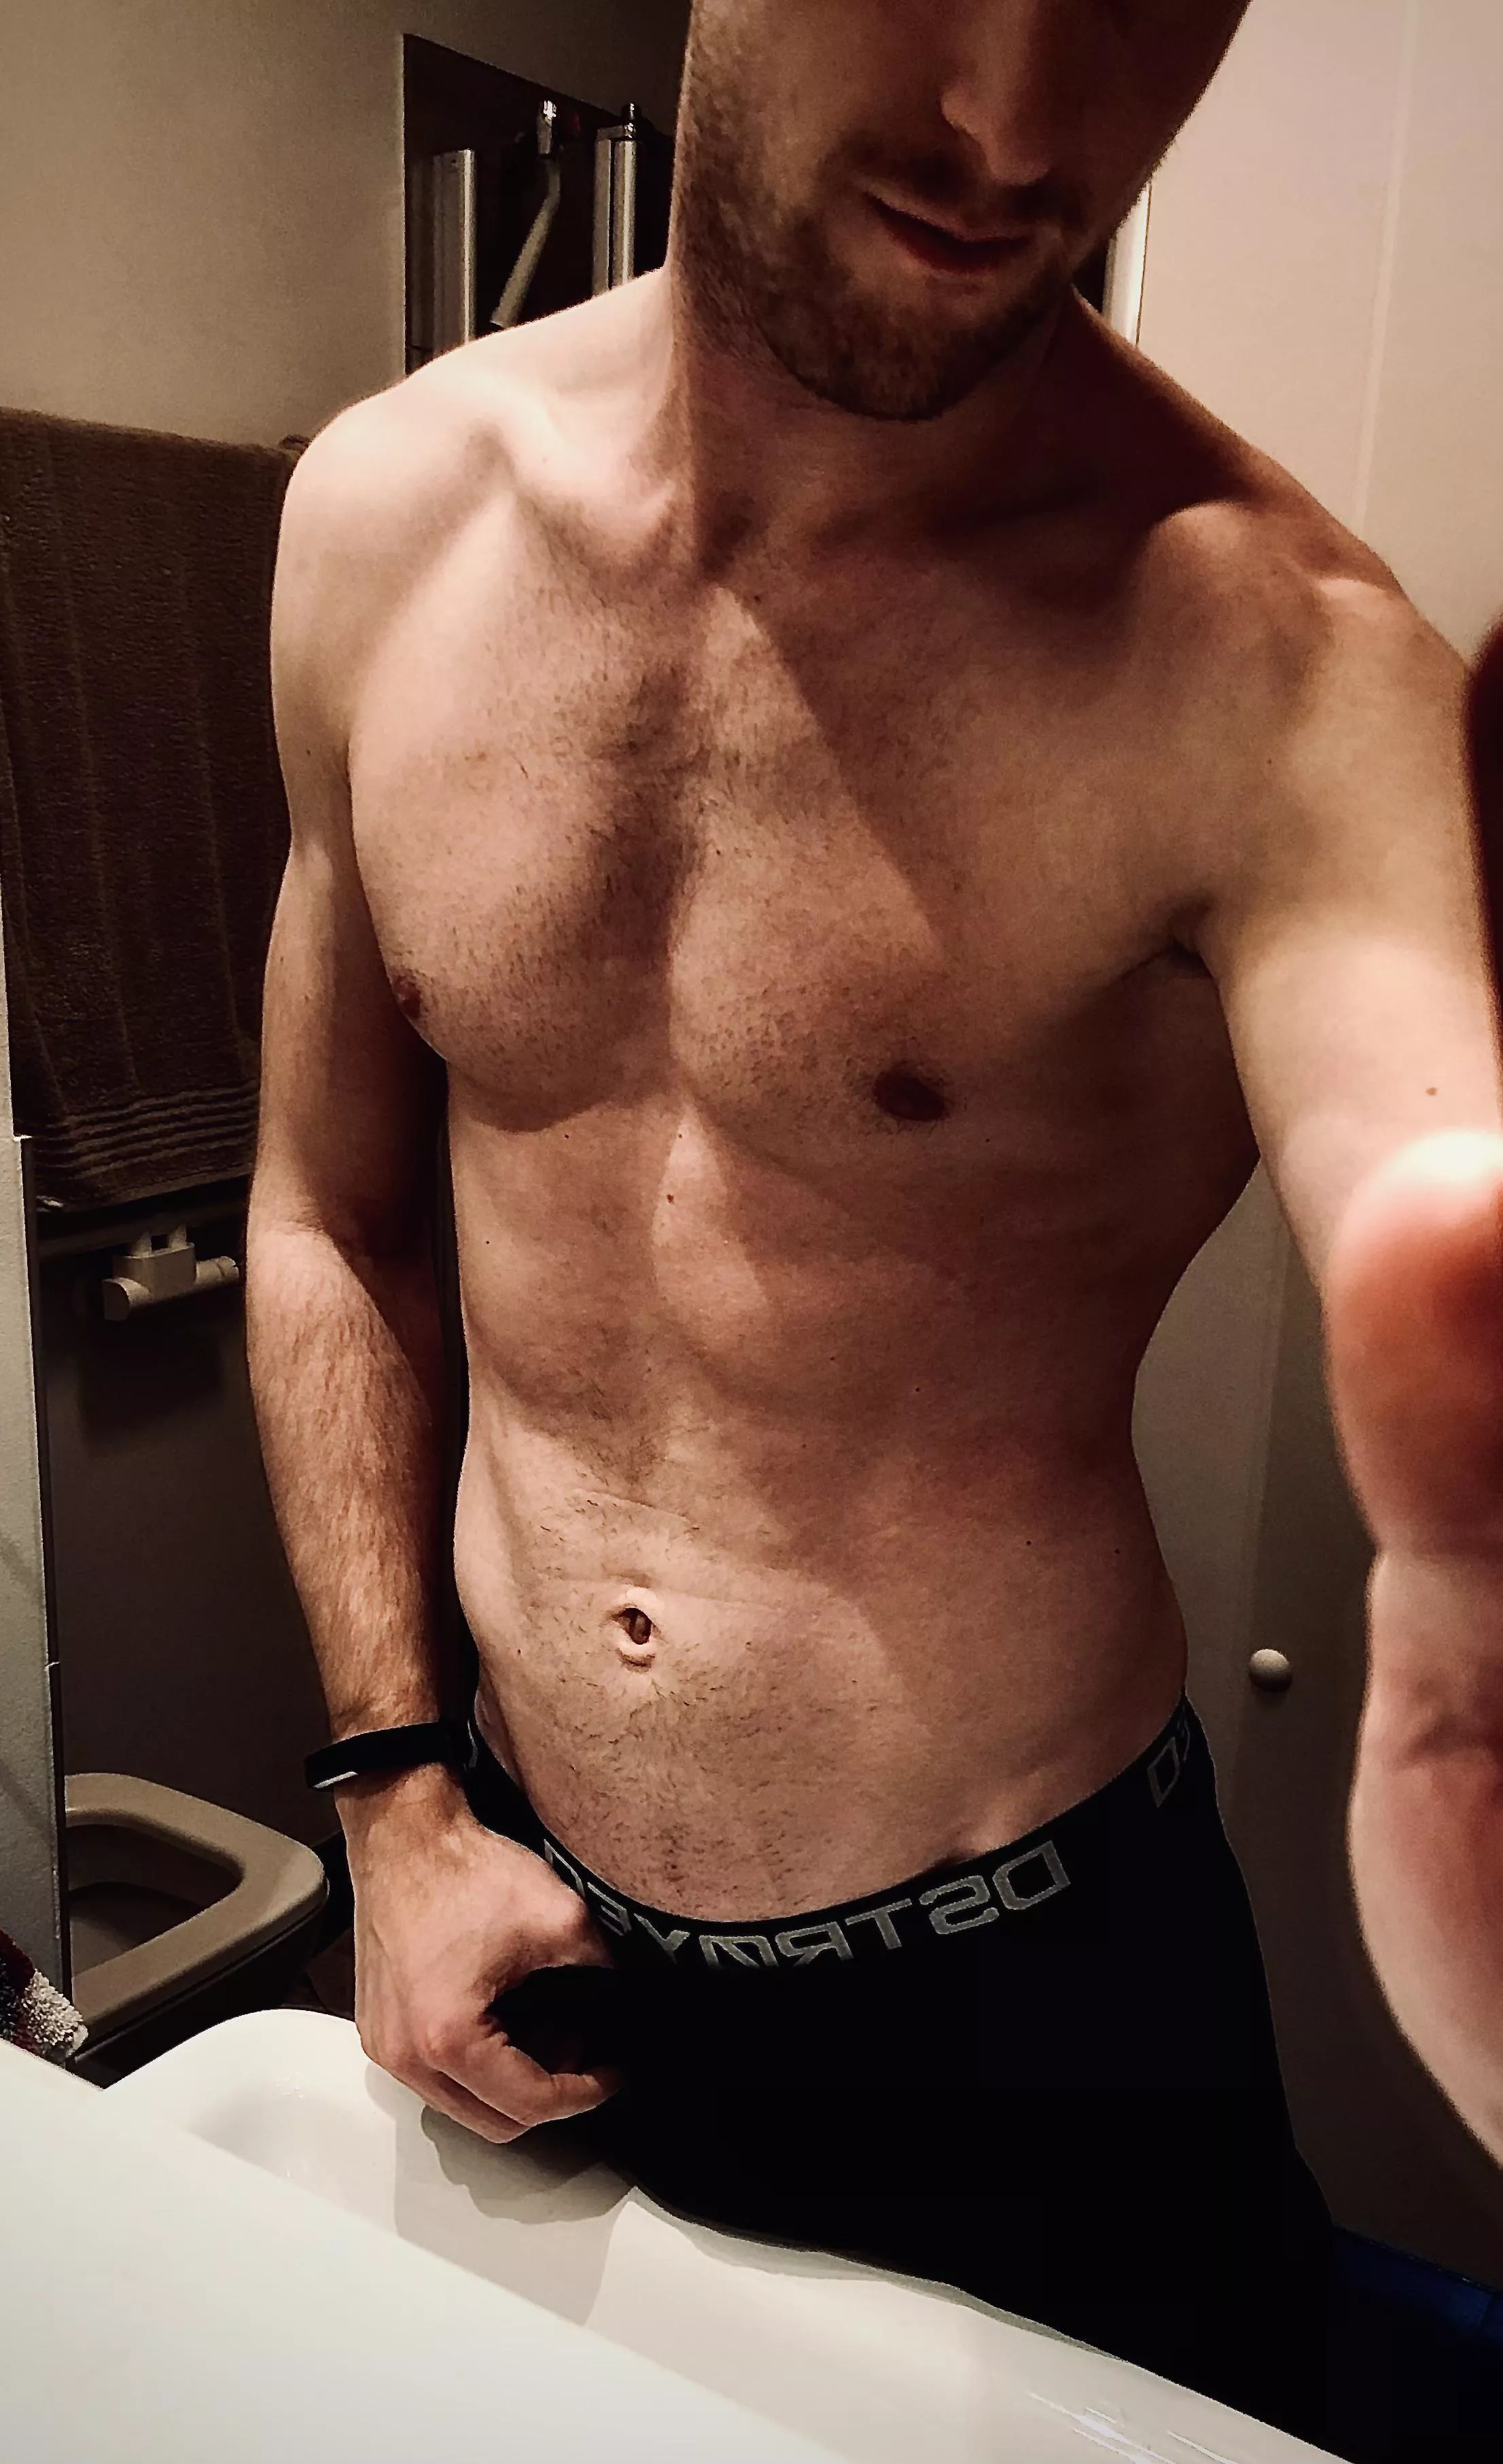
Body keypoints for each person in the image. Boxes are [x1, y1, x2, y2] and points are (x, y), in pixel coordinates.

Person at [245, 1, 1502, 2447]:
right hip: (507, 1921)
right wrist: (391, 1796)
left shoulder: (1278, 680)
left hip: (1030, 2016)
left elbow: (1435, 1202)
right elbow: (330, 1209)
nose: (1017, 123)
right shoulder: (381, 521)